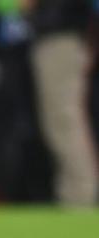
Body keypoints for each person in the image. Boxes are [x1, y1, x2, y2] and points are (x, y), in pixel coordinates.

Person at [28, 0, 98, 206]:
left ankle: (80, 194)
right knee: (59, 122)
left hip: (62, 39)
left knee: (64, 120)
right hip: (59, 37)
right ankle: (76, 193)